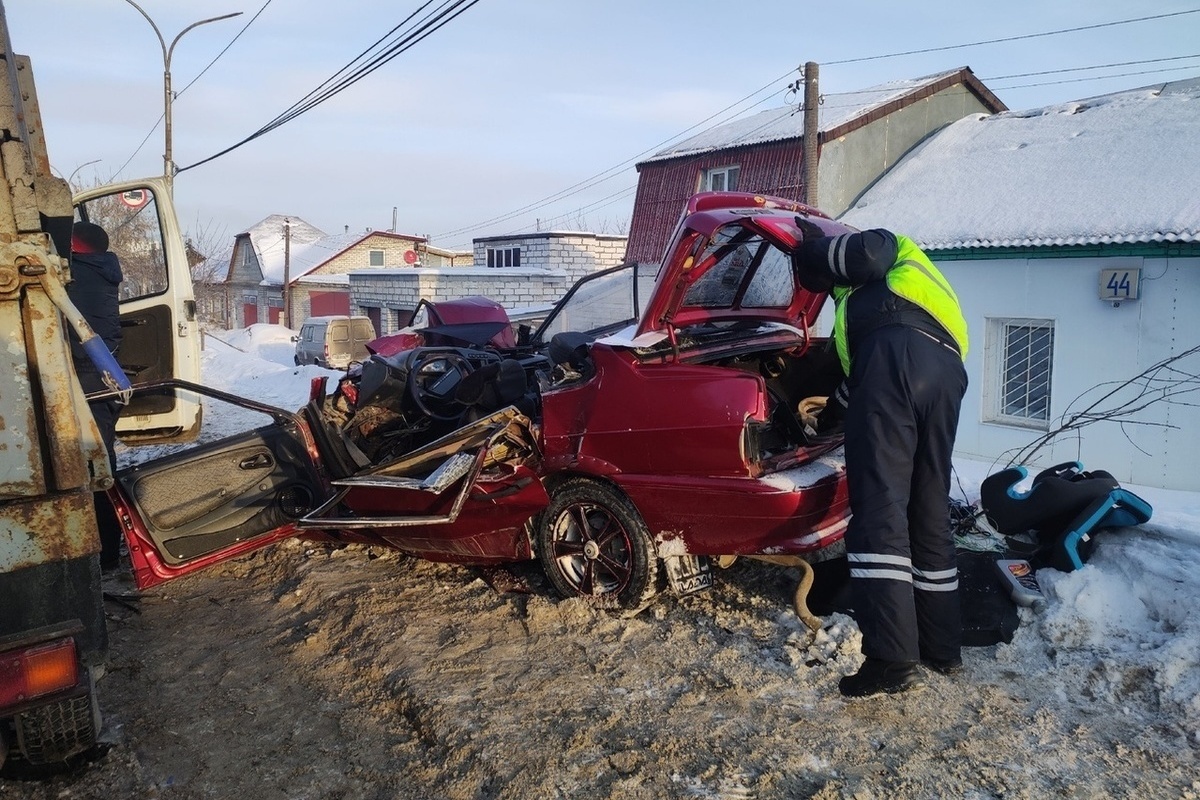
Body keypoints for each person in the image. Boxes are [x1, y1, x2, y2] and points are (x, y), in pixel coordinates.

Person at [792, 228, 969, 698]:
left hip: (899, 366)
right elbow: (861, 380)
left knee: (878, 513)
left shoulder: (884, 250)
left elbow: (868, 252)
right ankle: (941, 646)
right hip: (945, 374)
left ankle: (890, 660)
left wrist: (807, 252)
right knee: (927, 509)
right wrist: (829, 417)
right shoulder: (888, 300)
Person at [66, 221, 125, 572]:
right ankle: (104, 550)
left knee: (98, 464)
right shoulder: (97, 270)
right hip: (97, 377)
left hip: (90, 379)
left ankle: (104, 555)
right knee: (100, 459)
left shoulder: (80, 275)